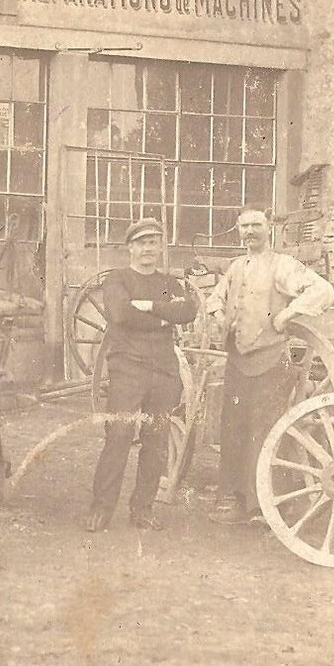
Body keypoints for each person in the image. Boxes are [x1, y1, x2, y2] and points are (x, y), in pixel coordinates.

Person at [205, 208, 334, 525]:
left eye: (256, 226)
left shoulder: (283, 266)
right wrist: (220, 316)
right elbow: (214, 299)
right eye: (245, 227)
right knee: (234, 429)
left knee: (265, 432)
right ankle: (235, 502)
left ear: (268, 230)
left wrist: (287, 315)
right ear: (238, 231)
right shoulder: (236, 267)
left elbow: (323, 290)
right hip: (238, 360)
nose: (250, 232)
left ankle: (265, 506)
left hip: (270, 362)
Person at [87, 217, 198, 533]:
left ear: (160, 247)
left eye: (154, 242)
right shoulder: (117, 280)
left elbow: (188, 311)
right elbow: (120, 313)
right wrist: (164, 316)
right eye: (142, 243)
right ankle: (102, 508)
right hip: (128, 369)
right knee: (119, 436)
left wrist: (148, 306)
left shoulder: (169, 282)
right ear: (130, 248)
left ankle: (142, 509)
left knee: (157, 439)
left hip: (163, 371)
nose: (148, 248)